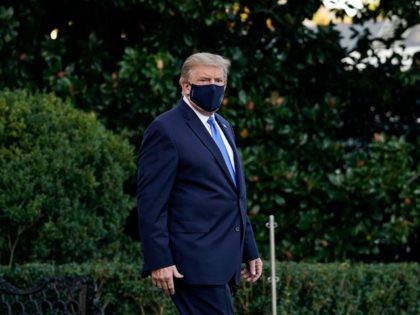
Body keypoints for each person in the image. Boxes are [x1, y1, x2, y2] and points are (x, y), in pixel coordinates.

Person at [136, 52, 262, 314]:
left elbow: (234, 195)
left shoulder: (224, 127)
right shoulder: (165, 129)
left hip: (220, 262)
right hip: (191, 263)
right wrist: (159, 260)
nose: (213, 86)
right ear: (185, 85)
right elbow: (151, 203)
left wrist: (249, 249)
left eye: (218, 80)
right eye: (204, 80)